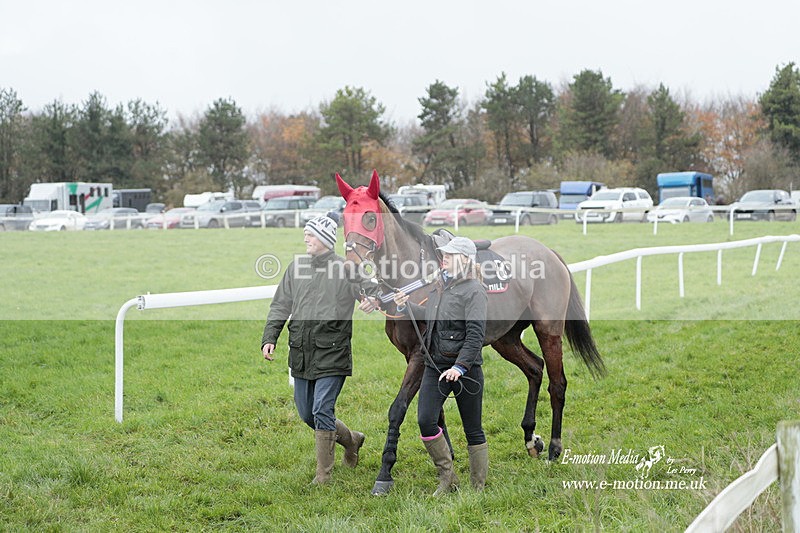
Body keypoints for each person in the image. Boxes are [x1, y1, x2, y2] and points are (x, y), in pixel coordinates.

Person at [261, 212, 376, 485]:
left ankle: (323, 476)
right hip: (301, 351)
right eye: (305, 234)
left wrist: (371, 299)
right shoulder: (296, 267)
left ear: (325, 238)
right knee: (306, 413)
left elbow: (371, 287)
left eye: (310, 234)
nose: (305, 238)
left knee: (322, 409)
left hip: (332, 351)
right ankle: (352, 440)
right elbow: (281, 305)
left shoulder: (346, 268)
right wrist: (270, 336)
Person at [393, 236, 489, 495]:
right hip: (434, 365)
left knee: (473, 428)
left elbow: (475, 335)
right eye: (443, 253)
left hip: (465, 371)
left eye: (449, 254)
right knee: (425, 420)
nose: (443, 257)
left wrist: (459, 368)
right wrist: (407, 306)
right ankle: (448, 477)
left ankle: (478, 487)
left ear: (465, 260)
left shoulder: (475, 291)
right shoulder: (439, 286)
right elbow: (431, 316)